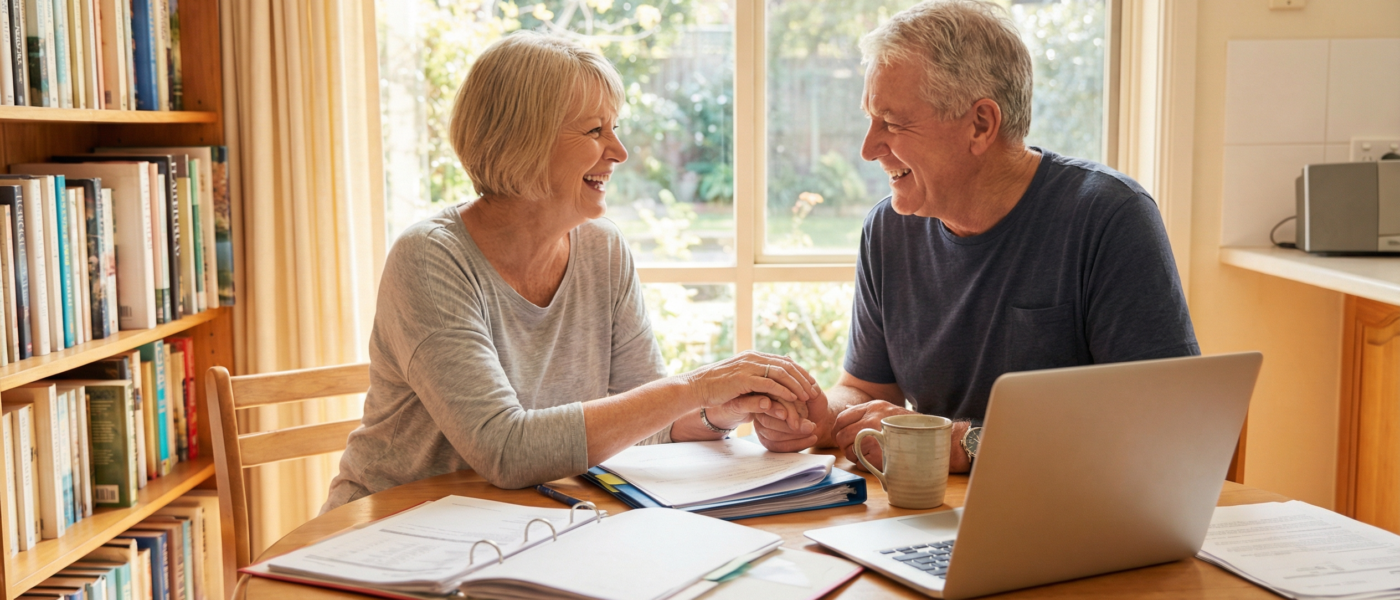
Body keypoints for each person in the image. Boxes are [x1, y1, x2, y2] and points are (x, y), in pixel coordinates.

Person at [324, 32, 819, 511]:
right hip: (390, 538)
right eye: (594, 130)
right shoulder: (431, 258)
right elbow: (505, 450)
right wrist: (695, 387)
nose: (619, 152)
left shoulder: (602, 249)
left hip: (519, 527)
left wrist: (716, 412)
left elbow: (641, 420)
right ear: (523, 139)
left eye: (615, 128)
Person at [752, 0, 1198, 472]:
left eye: (893, 122)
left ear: (981, 124)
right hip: (931, 517)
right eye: (869, 118)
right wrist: (825, 417)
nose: (869, 148)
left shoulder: (1110, 217)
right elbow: (867, 389)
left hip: (1075, 520)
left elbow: (1165, 423)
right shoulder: (888, 230)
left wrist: (960, 444)